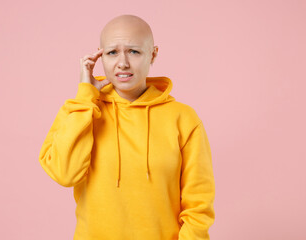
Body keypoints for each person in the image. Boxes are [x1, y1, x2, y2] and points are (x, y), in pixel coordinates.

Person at [39, 14, 215, 240]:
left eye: (134, 51)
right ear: (100, 56)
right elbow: (64, 174)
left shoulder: (183, 118)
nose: (122, 63)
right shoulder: (81, 110)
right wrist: (86, 95)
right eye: (112, 52)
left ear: (153, 54)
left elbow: (199, 203)